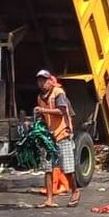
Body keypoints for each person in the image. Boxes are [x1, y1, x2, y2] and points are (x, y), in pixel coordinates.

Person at [35, 69, 80, 208]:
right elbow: (44, 117)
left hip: (62, 134)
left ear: (50, 81)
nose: (42, 83)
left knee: (67, 168)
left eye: (44, 80)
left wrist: (43, 111)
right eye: (40, 81)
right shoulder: (40, 97)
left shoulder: (58, 93)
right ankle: (49, 199)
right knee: (48, 169)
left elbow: (61, 111)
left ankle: (75, 191)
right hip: (49, 137)